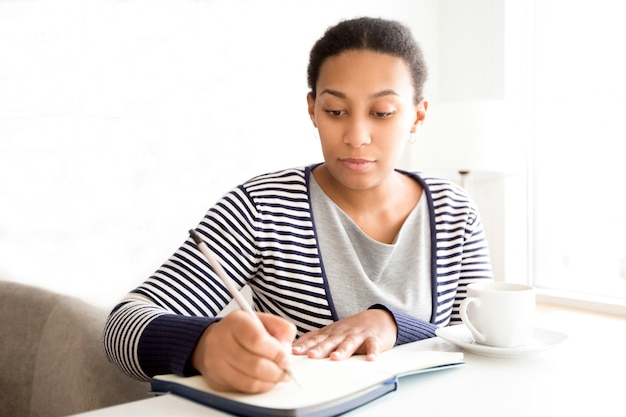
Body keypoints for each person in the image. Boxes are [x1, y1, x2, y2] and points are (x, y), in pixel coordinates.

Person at [104, 16, 492, 394]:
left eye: (382, 113)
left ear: (417, 117)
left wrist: (392, 325)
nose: (356, 137)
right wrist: (203, 345)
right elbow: (122, 326)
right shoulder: (260, 207)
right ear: (312, 110)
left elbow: (481, 343)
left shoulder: (454, 210)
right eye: (335, 111)